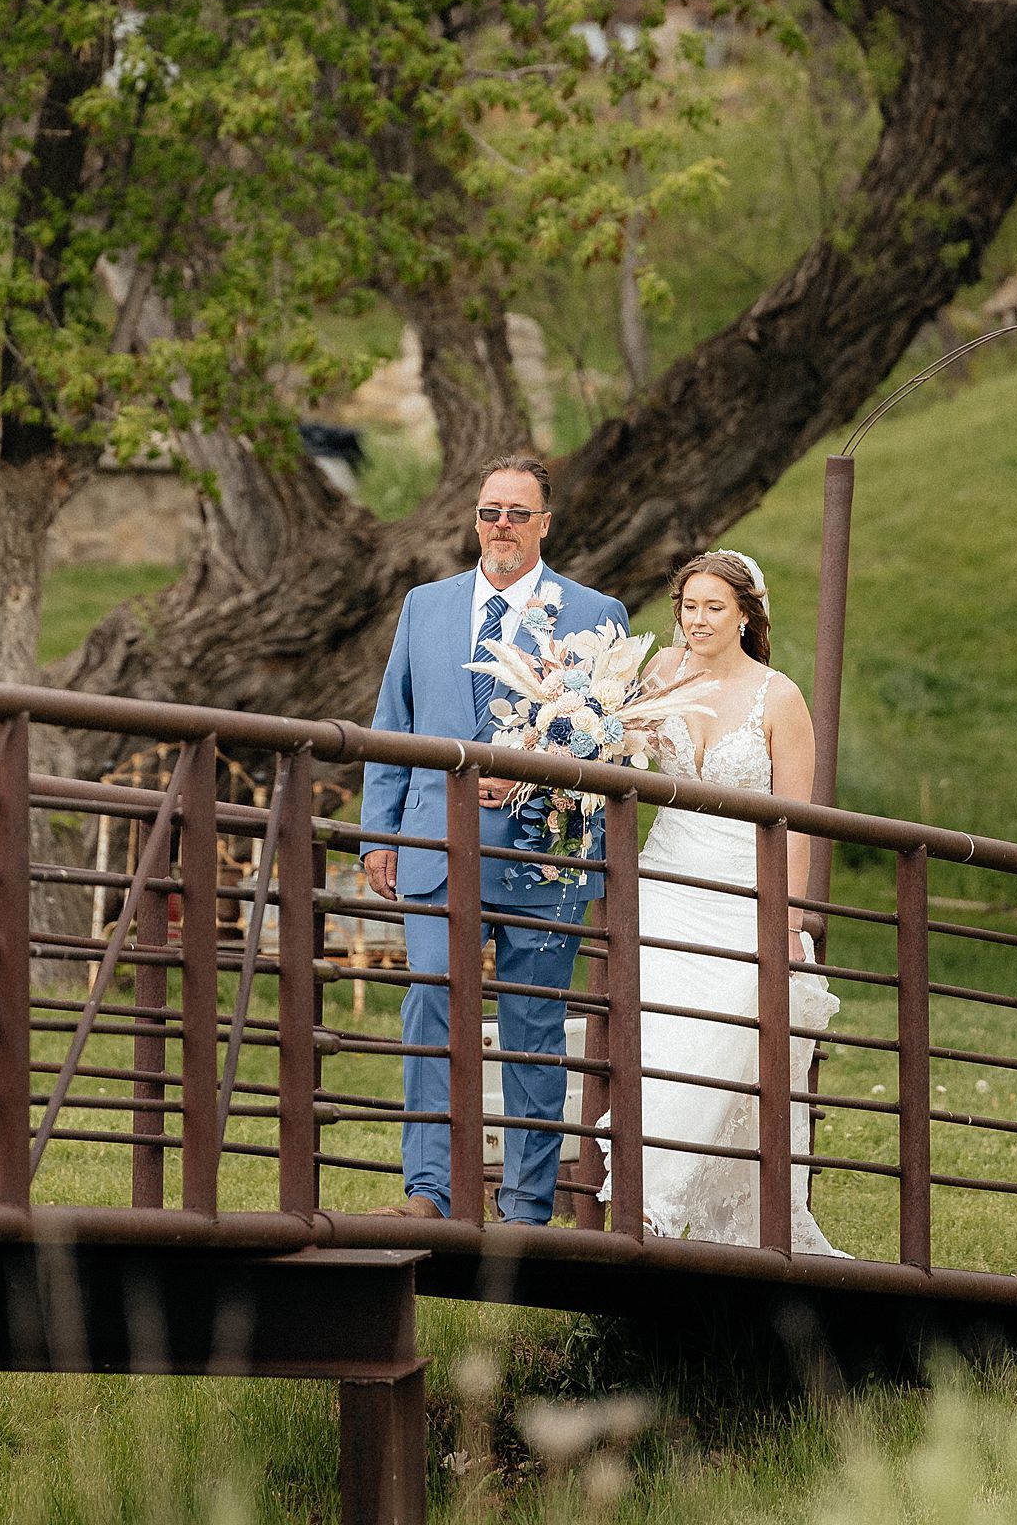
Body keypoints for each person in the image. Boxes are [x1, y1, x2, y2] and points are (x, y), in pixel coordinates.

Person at [360, 454, 628, 1222]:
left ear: (546, 522)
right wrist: (378, 835)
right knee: (430, 1004)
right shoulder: (426, 606)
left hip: (545, 856)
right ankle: (429, 1192)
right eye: (488, 512)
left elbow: (612, 746)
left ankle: (525, 1207)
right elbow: (393, 722)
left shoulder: (596, 613)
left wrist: (533, 773)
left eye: (517, 512)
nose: (501, 525)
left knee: (533, 1027)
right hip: (432, 846)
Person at [599, 549, 843, 1251]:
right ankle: (647, 1199)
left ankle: (662, 1200)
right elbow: (624, 755)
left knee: (726, 1033)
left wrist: (790, 919)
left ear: (745, 615)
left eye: (713, 607)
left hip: (745, 888)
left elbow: (799, 820)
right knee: (662, 1033)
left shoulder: (779, 697)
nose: (697, 620)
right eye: (688, 606)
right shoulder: (661, 674)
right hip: (668, 879)